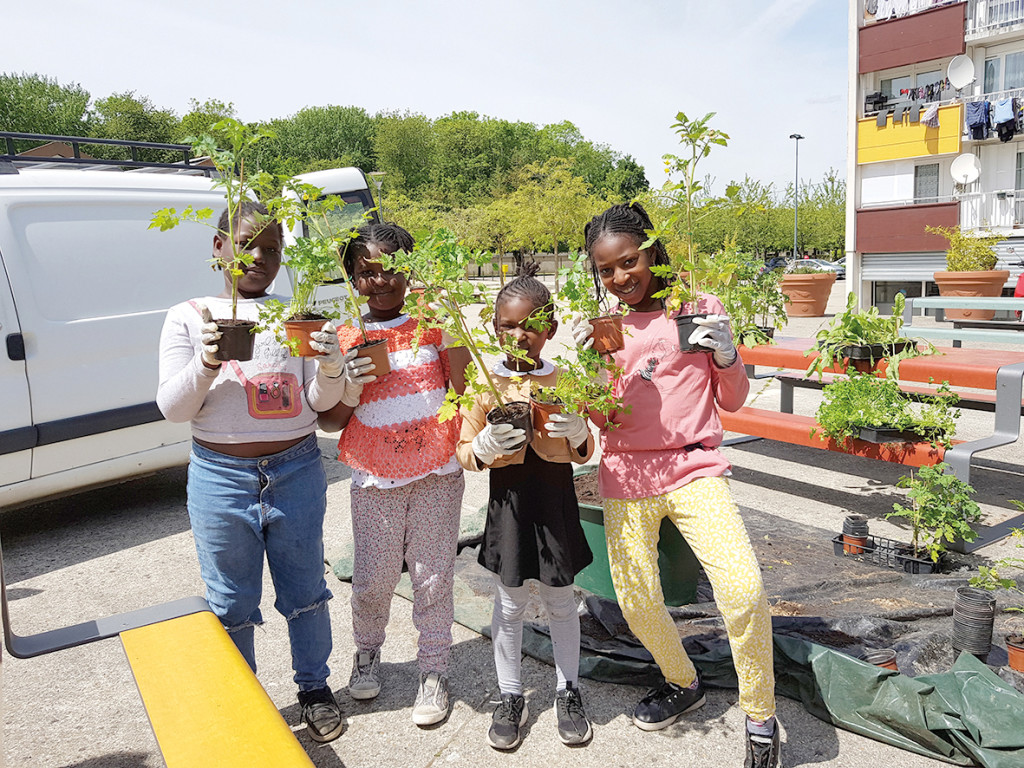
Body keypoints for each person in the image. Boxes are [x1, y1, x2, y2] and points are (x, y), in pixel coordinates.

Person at [574, 202, 780, 768]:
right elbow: (601, 419)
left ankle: (760, 715)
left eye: (630, 261)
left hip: (694, 468)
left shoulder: (698, 308)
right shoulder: (606, 329)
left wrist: (728, 353)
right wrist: (585, 371)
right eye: (606, 270)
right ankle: (682, 680)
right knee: (638, 604)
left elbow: (732, 400)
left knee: (744, 590)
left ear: (655, 248)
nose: (620, 278)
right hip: (626, 473)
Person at [157, 200, 347, 743]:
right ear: (219, 247)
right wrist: (208, 361)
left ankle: (313, 686)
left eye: (271, 248)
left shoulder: (298, 314)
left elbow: (314, 402)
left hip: (297, 468)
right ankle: (243, 698)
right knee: (231, 600)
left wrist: (330, 368)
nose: (259, 257)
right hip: (221, 476)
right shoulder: (189, 316)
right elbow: (173, 408)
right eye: (247, 245)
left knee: (306, 588)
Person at [318, 222, 468, 727]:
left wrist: (455, 331)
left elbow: (466, 392)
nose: (378, 281)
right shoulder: (347, 336)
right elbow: (331, 419)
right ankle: (367, 651)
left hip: (436, 473)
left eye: (389, 269)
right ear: (351, 278)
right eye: (365, 273)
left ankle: (434, 670)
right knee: (373, 580)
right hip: (374, 476)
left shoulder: (435, 323)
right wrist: (351, 387)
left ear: (410, 270)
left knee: (432, 578)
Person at [456, 264, 596, 750]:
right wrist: (484, 447)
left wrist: (581, 435)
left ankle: (568, 689)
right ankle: (510, 693)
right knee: (511, 601)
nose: (520, 334)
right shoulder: (483, 379)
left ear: (551, 329)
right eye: (508, 325)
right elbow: (464, 450)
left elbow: (586, 449)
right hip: (509, 505)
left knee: (561, 599)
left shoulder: (563, 378)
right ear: (494, 329)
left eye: (532, 324)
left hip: (556, 501)